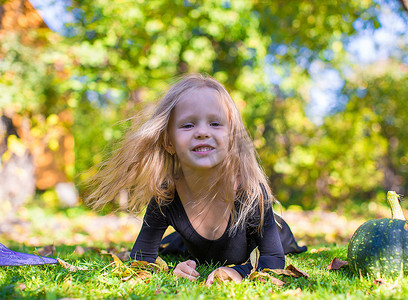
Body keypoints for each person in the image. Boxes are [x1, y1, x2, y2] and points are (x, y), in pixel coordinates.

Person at [86, 73, 306, 286]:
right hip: (192, 243)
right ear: (169, 142)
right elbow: (141, 257)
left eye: (215, 124)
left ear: (231, 138)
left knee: (282, 240)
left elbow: (273, 259)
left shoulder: (250, 191)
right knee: (175, 247)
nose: (202, 132)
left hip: (276, 232)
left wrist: (239, 271)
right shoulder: (166, 195)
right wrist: (174, 270)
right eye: (188, 125)